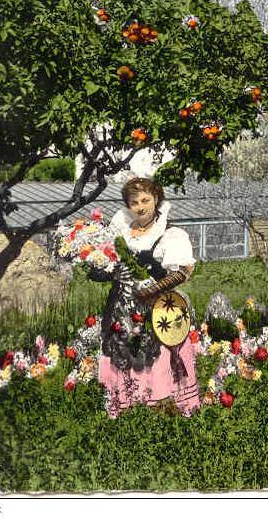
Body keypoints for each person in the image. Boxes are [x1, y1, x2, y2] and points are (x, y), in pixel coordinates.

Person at [97, 177, 201, 418]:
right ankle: (127, 404)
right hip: (122, 306)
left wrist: (152, 289)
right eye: (134, 202)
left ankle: (162, 407)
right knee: (122, 348)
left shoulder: (170, 233)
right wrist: (100, 271)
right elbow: (110, 268)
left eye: (145, 200)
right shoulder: (120, 231)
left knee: (157, 354)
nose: (141, 206)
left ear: (156, 200)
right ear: (128, 205)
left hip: (156, 309)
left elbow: (184, 271)